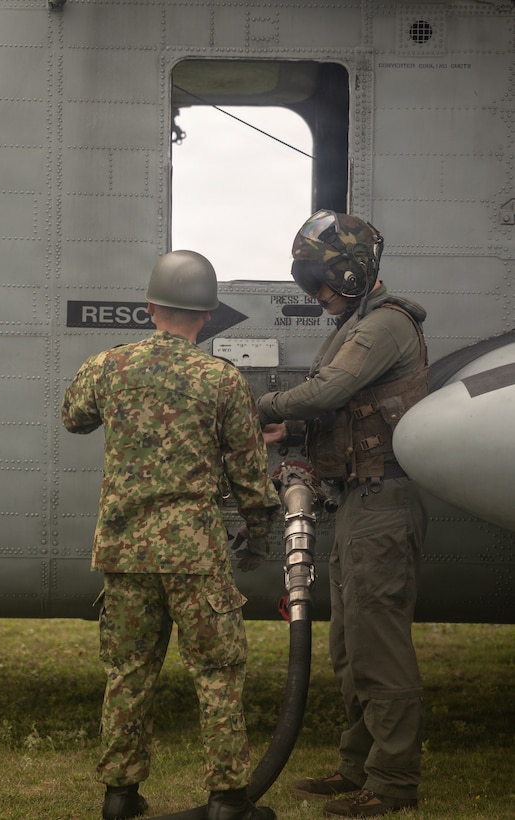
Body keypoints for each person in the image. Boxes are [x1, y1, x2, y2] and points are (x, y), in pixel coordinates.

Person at [61, 250, 281, 820]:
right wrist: (259, 535)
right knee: (216, 672)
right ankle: (229, 800)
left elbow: (73, 417)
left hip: (125, 550)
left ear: (150, 308)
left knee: (128, 671)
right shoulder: (221, 380)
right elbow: (249, 473)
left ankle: (120, 796)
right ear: (206, 317)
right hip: (195, 552)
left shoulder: (108, 366)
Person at [257, 211, 429, 818]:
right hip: (360, 499)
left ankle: (392, 783)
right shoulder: (355, 323)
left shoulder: (383, 326)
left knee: (378, 644)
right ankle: (357, 767)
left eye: (319, 282)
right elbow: (340, 404)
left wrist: (258, 406)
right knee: (349, 646)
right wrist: (292, 423)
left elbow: (329, 392)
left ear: (351, 273)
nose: (316, 295)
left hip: (383, 500)